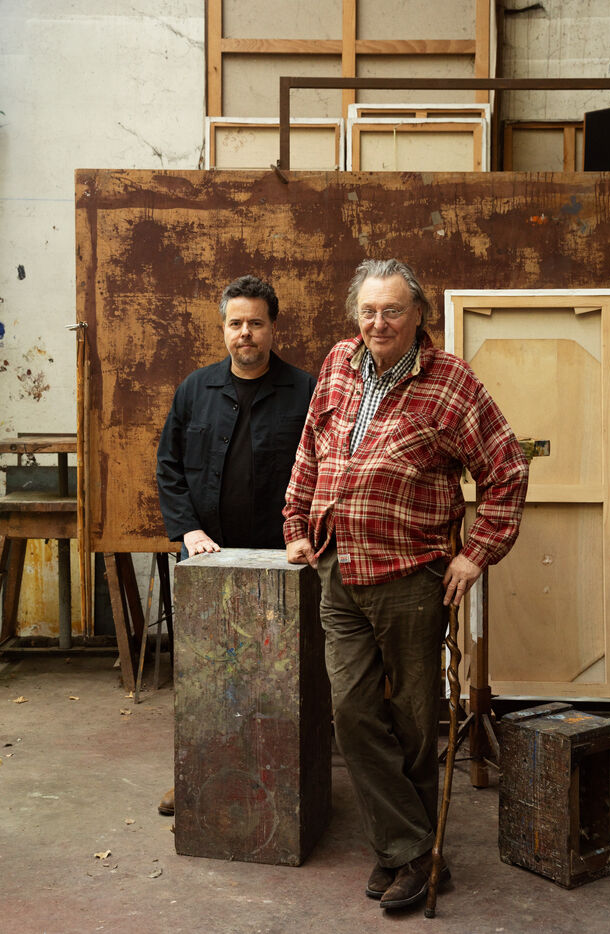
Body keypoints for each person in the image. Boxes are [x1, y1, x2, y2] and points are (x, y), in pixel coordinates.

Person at [284, 259, 528, 911]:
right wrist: (296, 524)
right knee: (351, 713)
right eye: (368, 311)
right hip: (338, 566)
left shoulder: (450, 382)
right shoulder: (338, 364)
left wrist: (476, 554)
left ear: (418, 314)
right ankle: (413, 851)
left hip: (412, 576)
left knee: (416, 721)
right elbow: (310, 450)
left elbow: (506, 469)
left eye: (392, 310)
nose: (378, 323)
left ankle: (403, 854)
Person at [156, 274, 316, 815]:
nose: (244, 332)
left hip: (280, 558)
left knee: (276, 674)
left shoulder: (306, 391)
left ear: (273, 327)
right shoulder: (194, 389)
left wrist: (301, 535)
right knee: (204, 673)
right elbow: (169, 466)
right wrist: (189, 530)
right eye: (235, 323)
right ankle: (197, 774)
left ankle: (279, 778)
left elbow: (325, 469)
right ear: (223, 328)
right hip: (209, 555)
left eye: (255, 323)